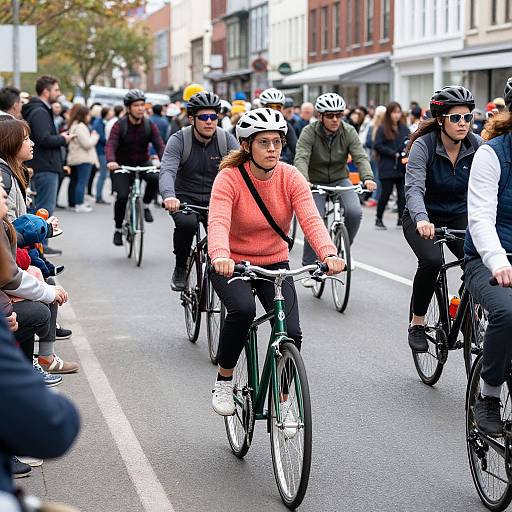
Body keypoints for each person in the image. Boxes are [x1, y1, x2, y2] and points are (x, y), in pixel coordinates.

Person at [207, 108, 344, 415]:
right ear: (247, 145)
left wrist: (329, 254)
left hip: (274, 264)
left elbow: (311, 219)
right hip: (232, 262)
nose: (272, 149)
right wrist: (220, 256)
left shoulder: (290, 177)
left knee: (291, 333)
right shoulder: (229, 179)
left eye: (277, 143)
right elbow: (217, 223)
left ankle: (282, 400)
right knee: (242, 311)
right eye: (264, 143)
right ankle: (224, 381)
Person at [403, 85, 482, 352]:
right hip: (422, 216)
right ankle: (418, 323)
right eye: (455, 118)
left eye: (467, 117)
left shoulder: (477, 146)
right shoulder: (423, 147)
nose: (463, 124)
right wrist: (422, 219)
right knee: (432, 260)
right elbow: (414, 188)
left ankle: (461, 307)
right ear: (440, 120)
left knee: (479, 260)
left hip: (459, 214)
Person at [464, 78, 512, 436]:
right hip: (488, 258)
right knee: (507, 311)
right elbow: (480, 217)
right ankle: (489, 396)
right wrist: (498, 260)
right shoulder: (491, 153)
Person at [294, 93, 376, 286]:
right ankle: (310, 266)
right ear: (320, 116)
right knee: (314, 219)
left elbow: (360, 156)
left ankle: (343, 251)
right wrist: (303, 180)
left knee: (355, 211)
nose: (335, 119)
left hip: (340, 178)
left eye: (339, 115)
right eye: (330, 115)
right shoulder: (309, 132)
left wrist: (368, 178)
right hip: (314, 181)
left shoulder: (348, 131)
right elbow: (301, 157)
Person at [159, 91, 239, 291]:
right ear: (192, 118)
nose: (209, 122)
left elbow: (242, 170)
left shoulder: (225, 140)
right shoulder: (179, 140)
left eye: (213, 116)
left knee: (228, 235)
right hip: (186, 198)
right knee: (186, 224)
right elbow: (167, 169)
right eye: (203, 117)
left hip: (217, 199)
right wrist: (169, 196)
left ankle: (229, 276)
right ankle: (180, 267)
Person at [105, 89, 165, 246]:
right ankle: (118, 229)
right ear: (128, 108)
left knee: (155, 177)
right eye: (136, 105)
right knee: (123, 196)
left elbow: (159, 143)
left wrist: (165, 160)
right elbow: (111, 144)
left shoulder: (149, 124)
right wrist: (111, 160)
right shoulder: (120, 125)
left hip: (142, 162)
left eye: (142, 105)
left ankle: (145, 205)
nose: (140, 108)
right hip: (122, 164)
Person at [21, 76, 73, 255]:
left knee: (41, 206)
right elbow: (43, 138)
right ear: (46, 91)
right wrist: (63, 139)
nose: (59, 94)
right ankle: (41, 245)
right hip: (45, 165)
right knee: (44, 207)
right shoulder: (40, 111)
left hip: (42, 164)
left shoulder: (37, 110)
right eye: (56, 90)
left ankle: (40, 245)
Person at [373, 101, 410, 229]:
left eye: (398, 112)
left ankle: (401, 219)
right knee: (386, 193)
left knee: (402, 194)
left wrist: (405, 152)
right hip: (387, 166)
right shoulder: (383, 128)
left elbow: (409, 141)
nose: (396, 115)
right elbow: (377, 145)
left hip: (401, 166)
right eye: (394, 112)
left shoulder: (404, 128)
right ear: (389, 113)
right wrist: (392, 153)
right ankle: (378, 218)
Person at [67, 105, 99, 213]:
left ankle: (72, 203)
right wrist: (95, 137)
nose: (89, 117)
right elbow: (86, 144)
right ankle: (79, 204)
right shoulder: (81, 127)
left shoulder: (73, 125)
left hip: (74, 158)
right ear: (84, 115)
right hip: (83, 158)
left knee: (74, 181)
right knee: (81, 182)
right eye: (88, 115)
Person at [258, 88, 297, 165]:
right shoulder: (252, 123)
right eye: (270, 107)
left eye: (278, 107)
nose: (274, 110)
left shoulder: (286, 126)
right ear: (262, 107)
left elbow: (297, 150)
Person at [91, 106, 113, 204]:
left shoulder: (102, 122)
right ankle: (98, 196)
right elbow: (101, 137)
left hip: (102, 151)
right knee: (103, 174)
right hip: (101, 151)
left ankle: (99, 195)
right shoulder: (98, 123)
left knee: (103, 174)